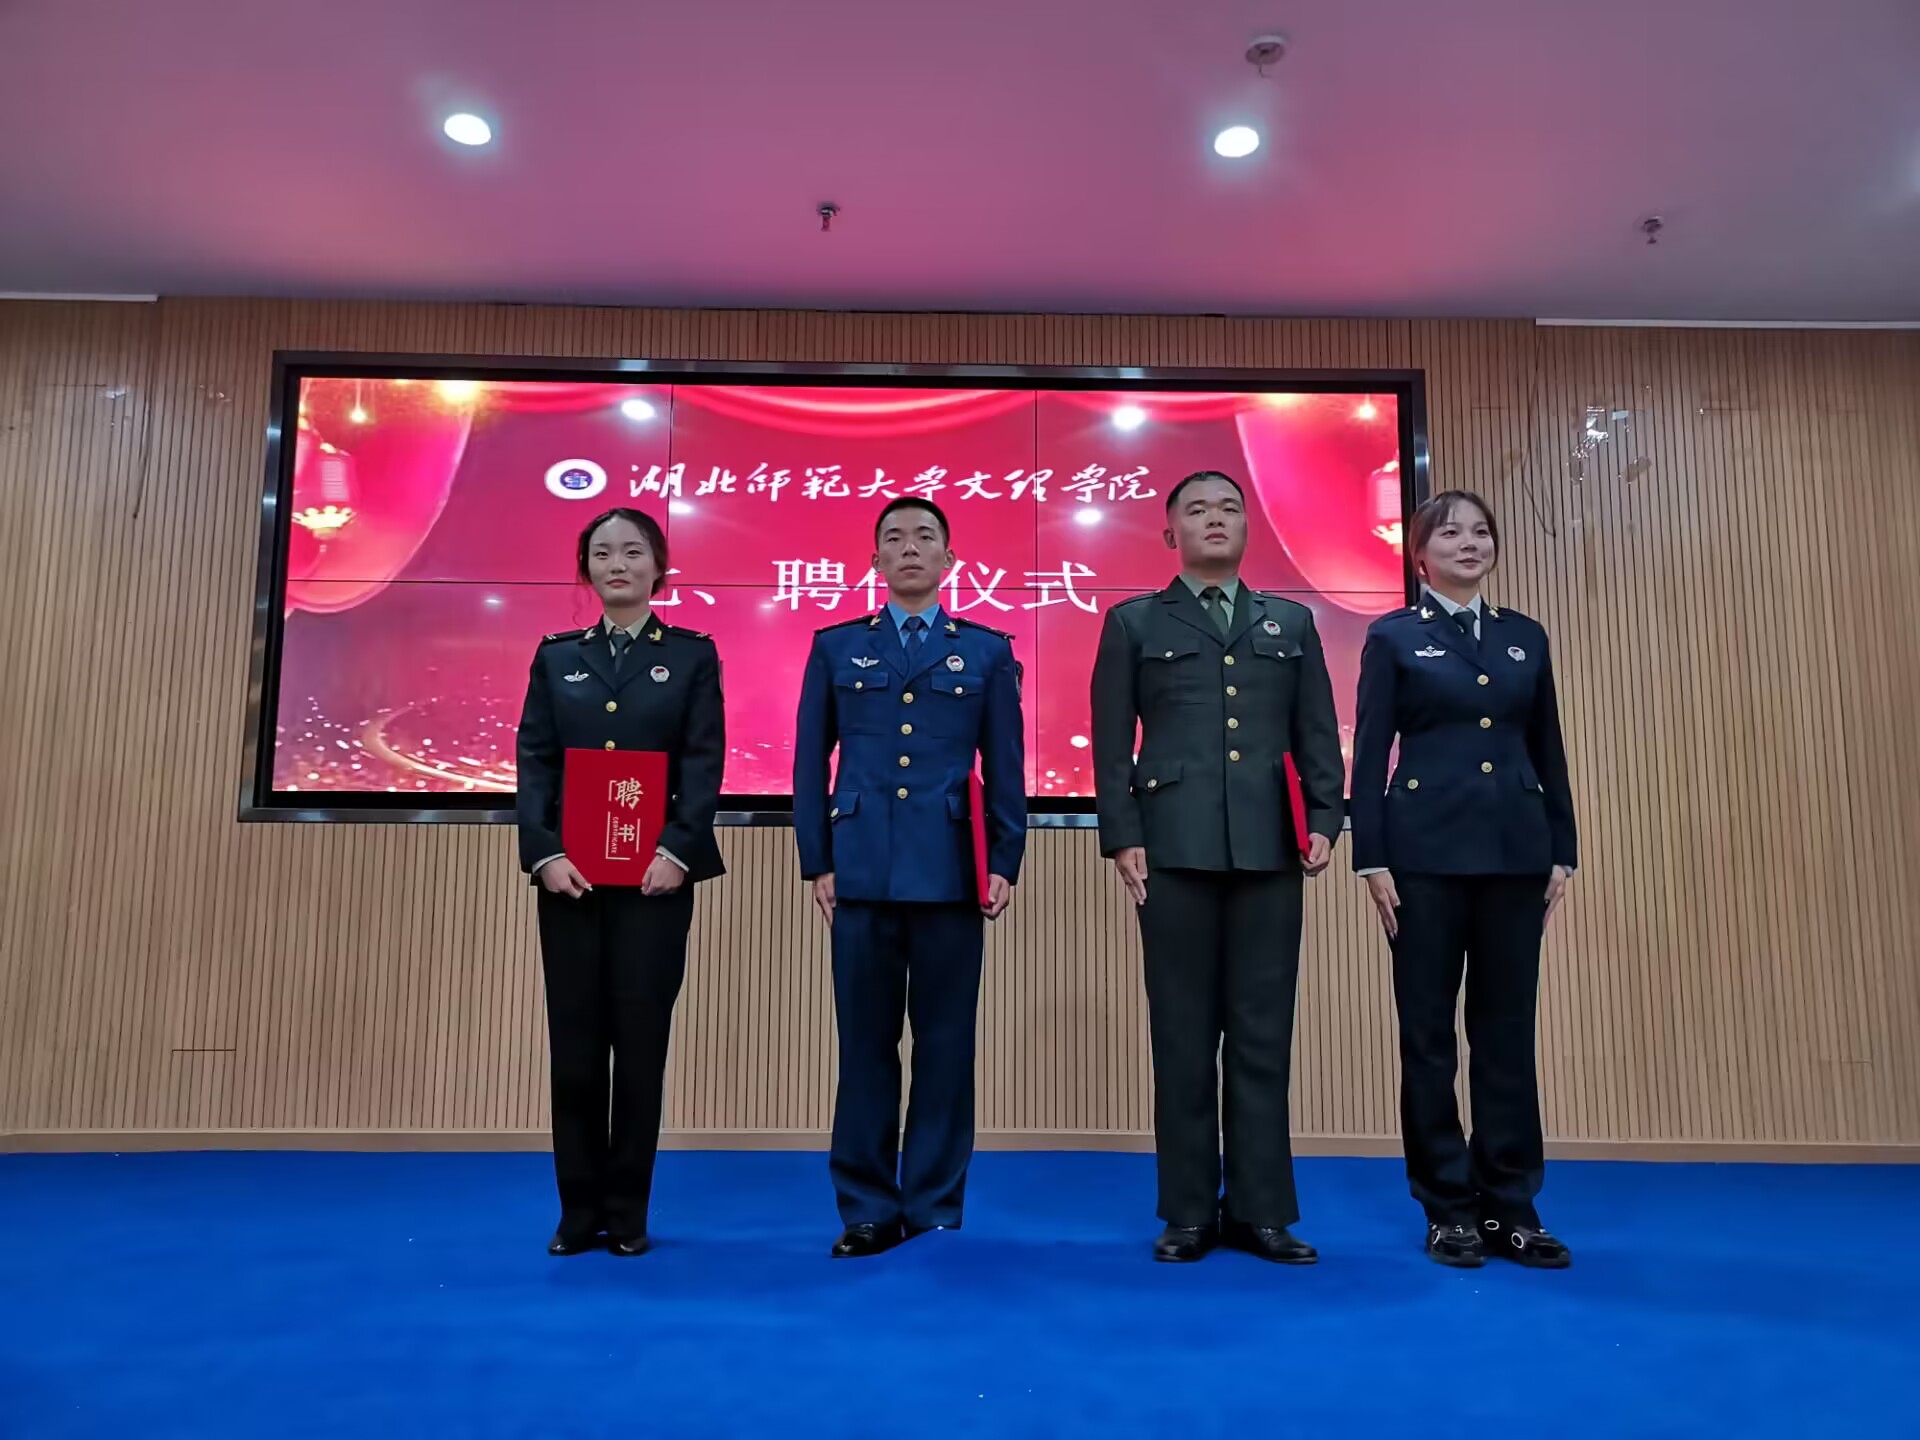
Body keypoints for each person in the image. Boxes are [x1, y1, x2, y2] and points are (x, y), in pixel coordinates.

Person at [1090, 470, 1344, 1265]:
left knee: (1264, 1035)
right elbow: (1111, 744)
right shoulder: (1134, 621)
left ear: (1247, 528)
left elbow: (1316, 730)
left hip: (1271, 847)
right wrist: (1122, 836)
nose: (1215, 519)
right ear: (1171, 533)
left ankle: (1263, 1211)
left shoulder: (1291, 622)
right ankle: (1189, 1211)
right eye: (1196, 510)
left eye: (1229, 508)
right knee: (1183, 1036)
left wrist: (1326, 820)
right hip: (1172, 848)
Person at [1349, 489, 1578, 1269]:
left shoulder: (1524, 637)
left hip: (1517, 854)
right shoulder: (1394, 636)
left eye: (1481, 532)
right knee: (1429, 1038)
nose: (1469, 543)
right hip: (1422, 859)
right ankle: (1448, 1206)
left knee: (1507, 1034)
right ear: (1420, 553)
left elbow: (1547, 747)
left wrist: (1563, 848)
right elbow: (1370, 752)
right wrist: (1371, 856)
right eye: (1450, 533)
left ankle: (1512, 1205)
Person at [793, 497, 1026, 1258]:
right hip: (860, 871)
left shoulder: (986, 652)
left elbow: (1007, 767)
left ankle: (932, 1203)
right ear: (875, 562)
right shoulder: (836, 647)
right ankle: (865, 1207)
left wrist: (1004, 860)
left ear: (950, 560)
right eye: (893, 538)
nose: (910, 548)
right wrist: (818, 860)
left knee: (945, 1046)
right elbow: (809, 765)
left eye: (926, 537)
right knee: (865, 1046)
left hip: (952, 872)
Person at [515, 506, 726, 1257]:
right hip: (569, 883)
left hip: (654, 886)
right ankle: (577, 1213)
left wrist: (677, 850)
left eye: (633, 552)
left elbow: (703, 762)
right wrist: (544, 853)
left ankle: (628, 1214)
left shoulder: (692, 656)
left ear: (658, 567)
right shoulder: (557, 658)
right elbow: (535, 761)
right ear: (587, 569)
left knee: (639, 1050)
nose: (617, 565)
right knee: (575, 1051)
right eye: (602, 553)